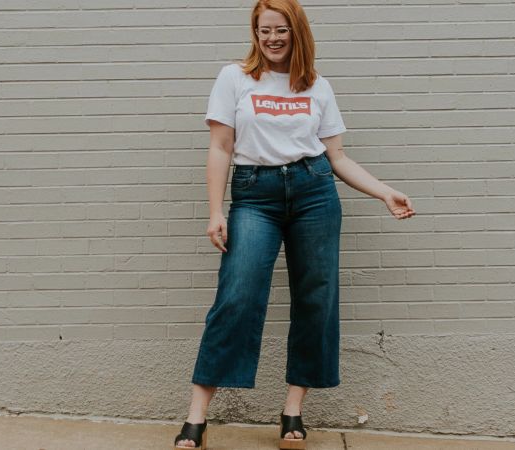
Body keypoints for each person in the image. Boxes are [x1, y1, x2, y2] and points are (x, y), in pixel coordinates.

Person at [174, 0, 415, 448]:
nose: (272, 39)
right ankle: (196, 418)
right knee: (238, 295)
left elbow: (337, 157)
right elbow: (221, 147)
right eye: (264, 30)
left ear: (296, 31)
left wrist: (383, 191)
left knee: (316, 297)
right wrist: (215, 210)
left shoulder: (318, 86)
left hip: (314, 191)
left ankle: (292, 411)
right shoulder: (235, 78)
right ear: (255, 32)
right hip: (254, 193)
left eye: (281, 30)